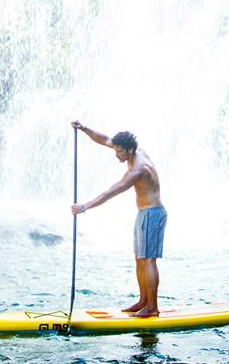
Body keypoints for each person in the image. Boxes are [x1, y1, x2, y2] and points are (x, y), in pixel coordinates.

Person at [71, 122, 167, 317]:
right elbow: (104, 139)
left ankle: (152, 307)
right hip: (144, 214)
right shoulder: (130, 151)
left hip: (153, 214)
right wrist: (84, 129)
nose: (116, 154)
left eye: (120, 152)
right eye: (116, 151)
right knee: (140, 259)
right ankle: (143, 301)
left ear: (130, 150)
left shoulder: (138, 169)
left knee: (149, 260)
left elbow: (112, 191)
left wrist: (84, 207)